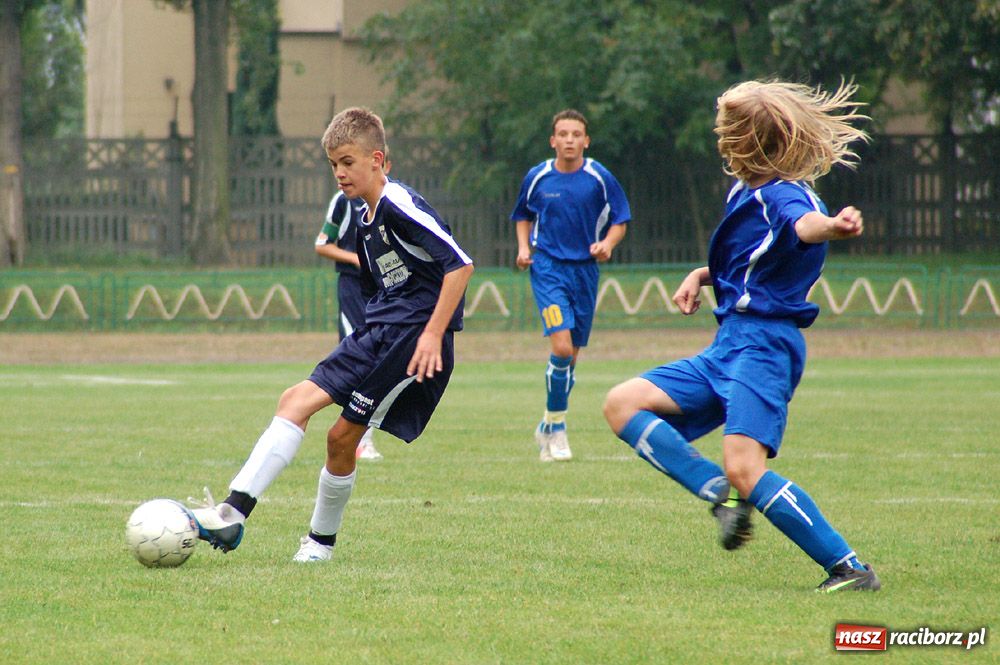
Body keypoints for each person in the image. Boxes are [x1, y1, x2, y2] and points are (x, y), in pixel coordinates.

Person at [602, 80, 881, 592]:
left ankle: (848, 568)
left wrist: (834, 227)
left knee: (745, 468)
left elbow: (801, 226)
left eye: (726, 128)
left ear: (748, 139)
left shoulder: (782, 193)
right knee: (622, 404)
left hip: (764, 347)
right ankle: (719, 498)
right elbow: (753, 261)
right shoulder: (746, 190)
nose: (719, 136)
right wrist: (700, 275)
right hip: (730, 344)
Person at [190, 107, 474, 562]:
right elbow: (380, 287)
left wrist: (431, 334)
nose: (339, 173)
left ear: (377, 160)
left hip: (412, 342)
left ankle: (320, 545)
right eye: (333, 165)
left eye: (347, 162)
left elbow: (460, 265)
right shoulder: (363, 219)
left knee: (341, 437)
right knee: (293, 401)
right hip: (377, 333)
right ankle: (232, 515)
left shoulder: (400, 204)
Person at [511, 109, 631, 462]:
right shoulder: (538, 177)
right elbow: (522, 215)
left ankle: (548, 424)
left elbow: (621, 220)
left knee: (571, 359)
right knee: (561, 348)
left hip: (585, 272)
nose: (569, 140)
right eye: (563, 134)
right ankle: (560, 428)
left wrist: (607, 244)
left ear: (586, 141)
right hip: (547, 268)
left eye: (576, 134)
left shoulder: (599, 177)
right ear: (553, 141)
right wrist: (523, 248)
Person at [314, 157, 393, 461]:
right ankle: (360, 439)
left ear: (384, 164)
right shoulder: (343, 201)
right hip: (353, 290)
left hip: (384, 293)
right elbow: (322, 243)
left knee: (383, 361)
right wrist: (356, 259)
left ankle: (361, 436)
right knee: (362, 362)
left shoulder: (394, 201)